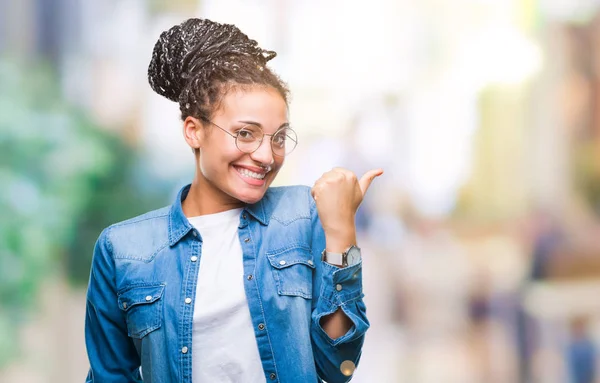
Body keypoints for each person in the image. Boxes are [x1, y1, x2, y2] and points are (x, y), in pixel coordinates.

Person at [84, 18, 382, 383]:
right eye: (245, 133)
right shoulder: (124, 249)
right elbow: (108, 376)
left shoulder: (304, 215)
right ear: (194, 130)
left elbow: (338, 369)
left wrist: (341, 233)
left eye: (278, 138)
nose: (266, 155)